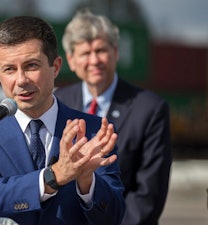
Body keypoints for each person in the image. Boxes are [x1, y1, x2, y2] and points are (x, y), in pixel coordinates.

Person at [0, 15, 125, 225]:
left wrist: (87, 181)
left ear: (56, 66)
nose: (21, 80)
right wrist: (53, 177)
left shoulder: (94, 131)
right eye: (9, 69)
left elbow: (114, 216)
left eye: (31, 66)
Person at [54, 10, 172, 225]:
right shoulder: (57, 102)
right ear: (71, 60)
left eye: (101, 50)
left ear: (116, 52)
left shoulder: (150, 109)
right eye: (85, 53)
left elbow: (148, 195)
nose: (94, 60)